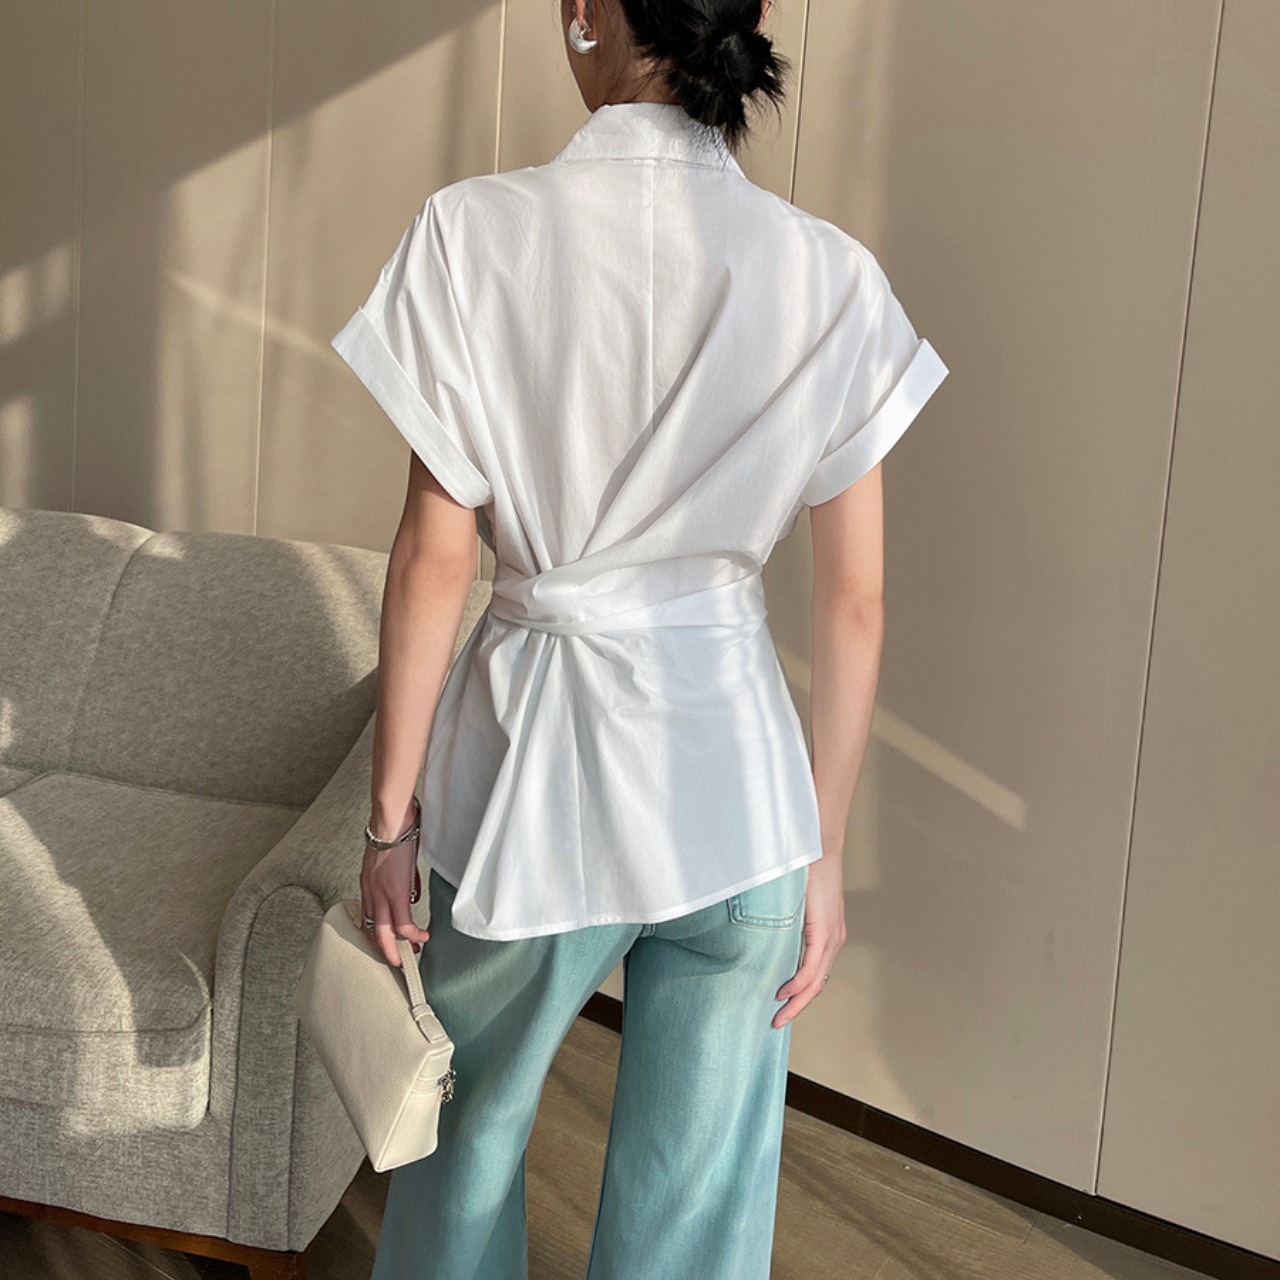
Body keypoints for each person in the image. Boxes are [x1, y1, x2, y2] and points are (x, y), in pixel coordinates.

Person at [328, 1, 948, 1275]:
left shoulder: (471, 233)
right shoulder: (826, 272)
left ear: (582, 16)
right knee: (696, 1214)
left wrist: (390, 826)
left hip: (530, 777)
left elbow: (436, 557)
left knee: (462, 1152)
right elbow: (855, 602)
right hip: (740, 798)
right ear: (750, 20)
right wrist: (822, 851)